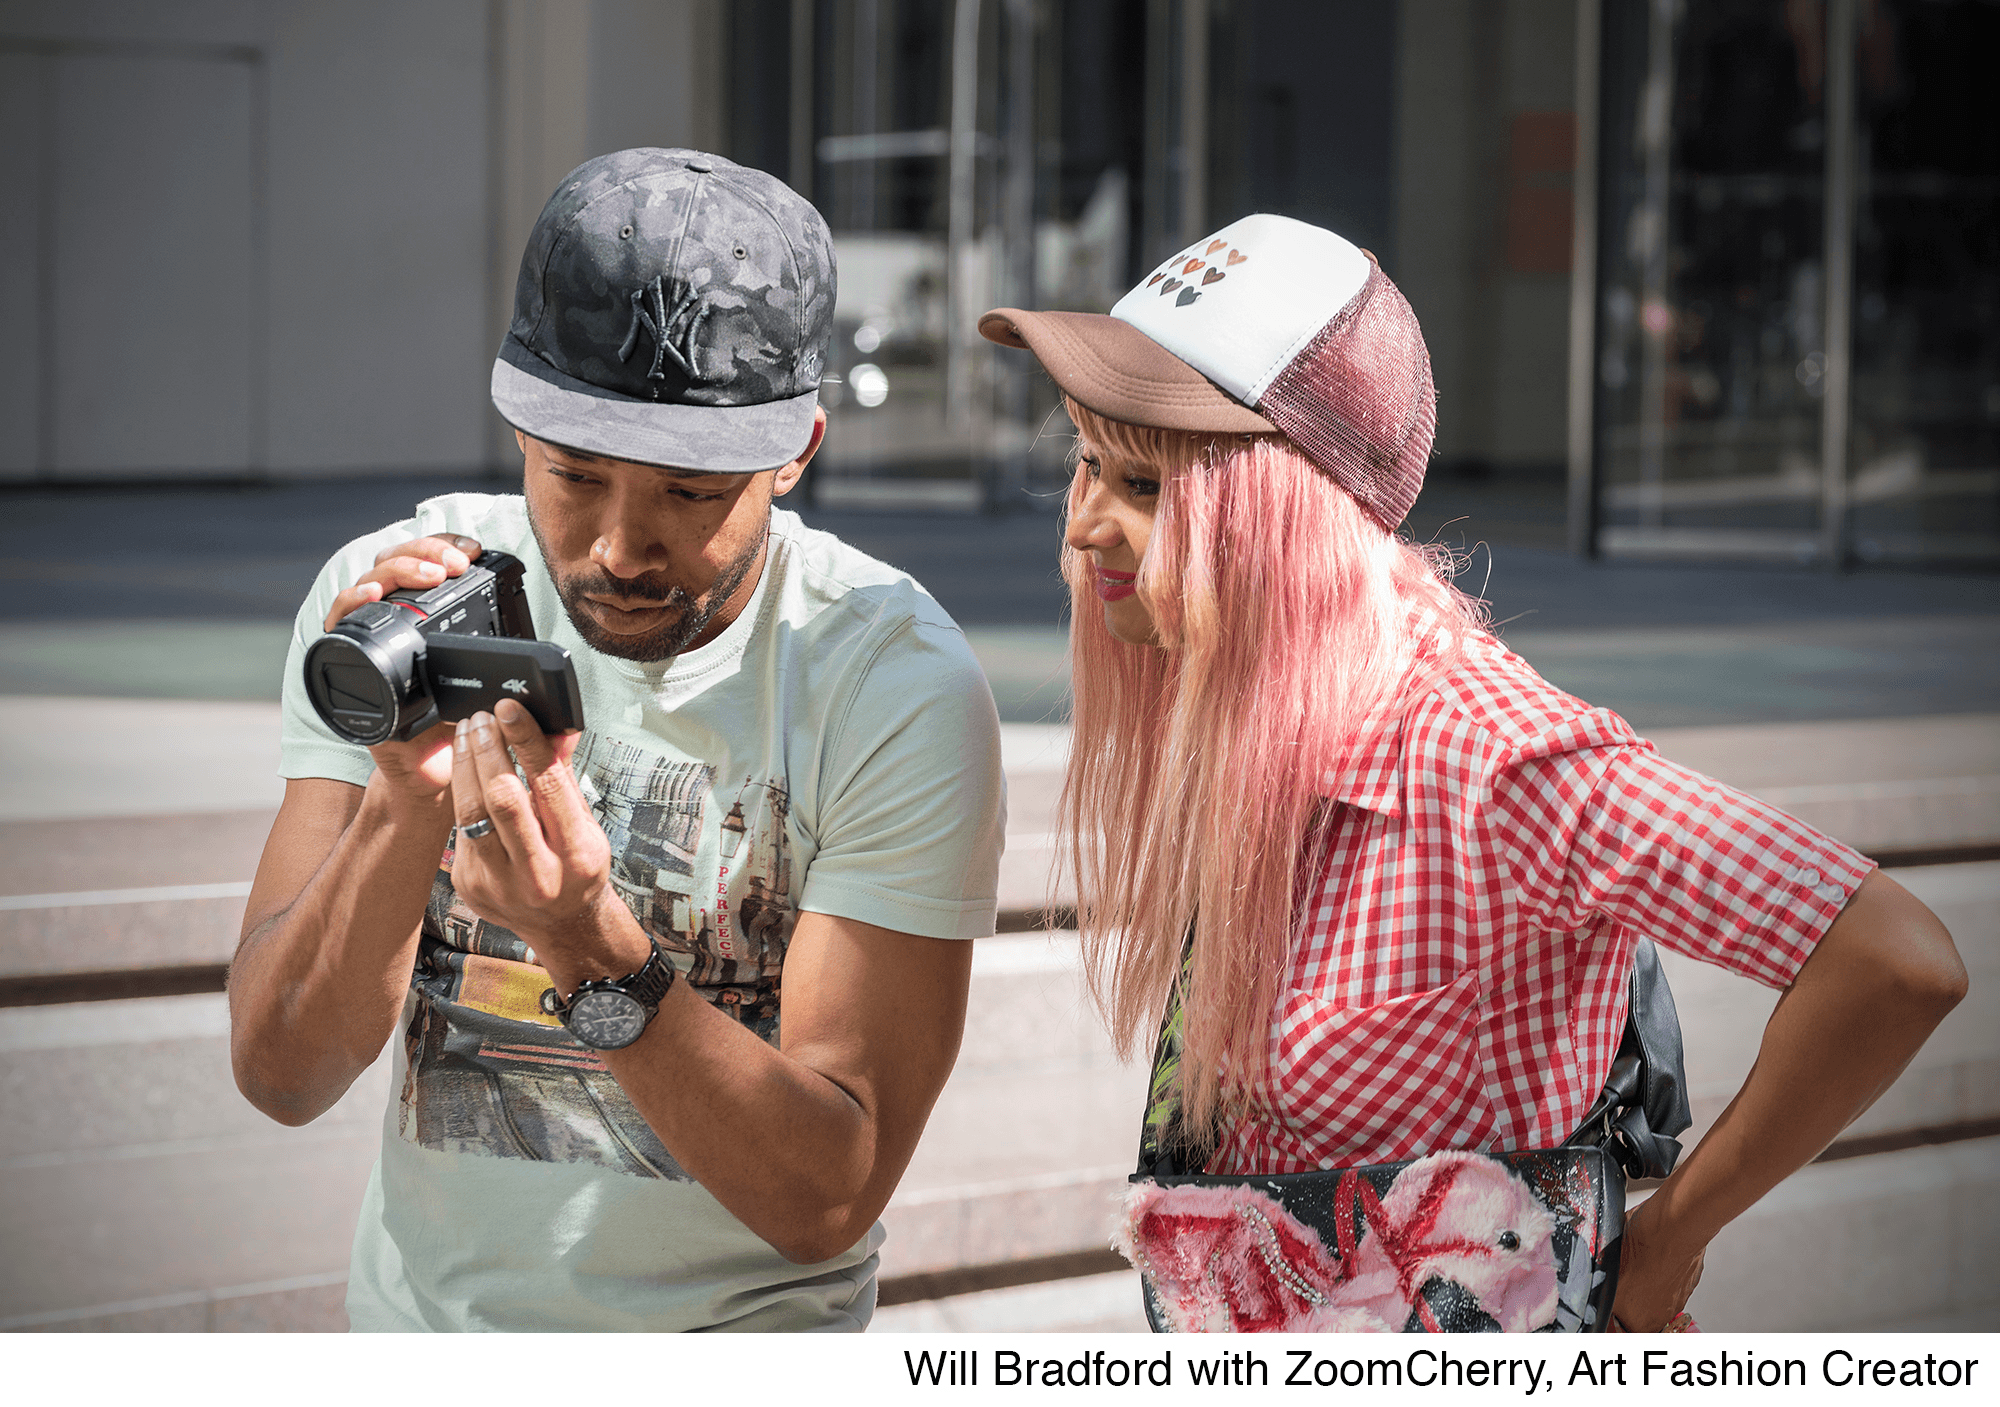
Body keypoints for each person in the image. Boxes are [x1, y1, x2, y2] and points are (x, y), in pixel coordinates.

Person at [979, 213, 1965, 1332]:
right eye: (1085, 459)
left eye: (1144, 483)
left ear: (1283, 512)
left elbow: (1894, 960)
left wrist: (1669, 1241)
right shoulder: (1249, 706)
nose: (1084, 526)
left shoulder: (1492, 756)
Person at [229, 149, 1006, 1332]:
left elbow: (828, 1197)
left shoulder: (888, 681)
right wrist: (401, 802)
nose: (618, 549)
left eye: (690, 494)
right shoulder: (400, 598)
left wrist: (585, 941)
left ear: (796, 449)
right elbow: (281, 1075)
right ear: (516, 428)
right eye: (574, 476)